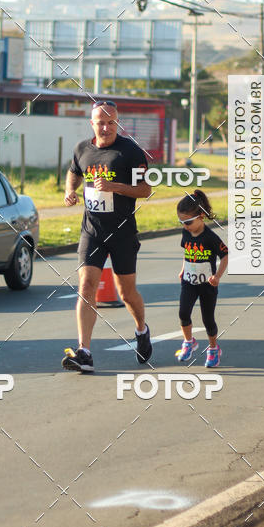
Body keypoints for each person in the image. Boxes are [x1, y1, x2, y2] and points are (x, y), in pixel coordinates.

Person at [62, 100, 152, 372]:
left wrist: (115, 186)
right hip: (92, 230)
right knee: (87, 284)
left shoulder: (131, 152)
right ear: (92, 124)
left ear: (118, 123)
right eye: (100, 122)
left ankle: (141, 329)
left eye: (111, 122)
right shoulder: (82, 149)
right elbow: (73, 173)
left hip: (122, 232)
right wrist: (70, 191)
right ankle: (84, 352)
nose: (105, 127)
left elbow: (145, 189)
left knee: (126, 293)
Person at [174, 189, 228, 368]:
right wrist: (183, 269)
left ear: (201, 217)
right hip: (189, 281)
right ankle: (189, 342)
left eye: (188, 222)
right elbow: (186, 252)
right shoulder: (186, 233)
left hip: (207, 285)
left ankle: (213, 349)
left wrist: (217, 276)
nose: (185, 226)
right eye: (181, 222)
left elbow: (225, 255)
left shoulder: (210, 237)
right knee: (183, 313)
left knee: (208, 319)